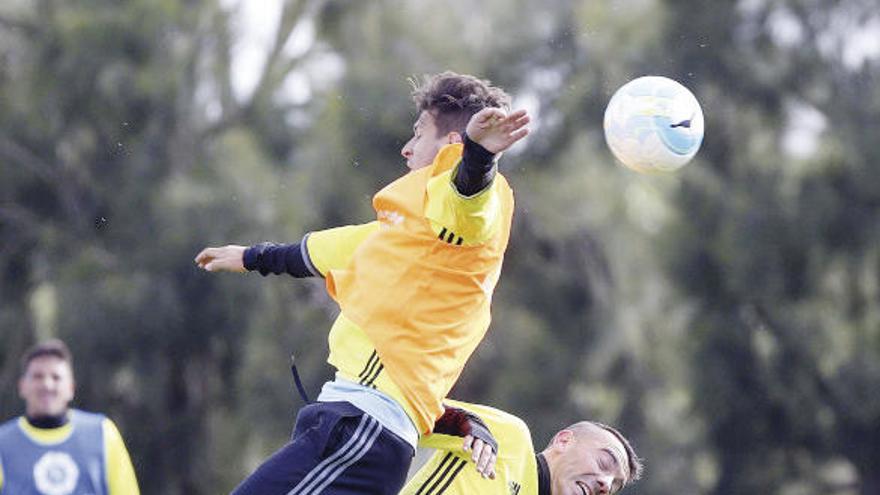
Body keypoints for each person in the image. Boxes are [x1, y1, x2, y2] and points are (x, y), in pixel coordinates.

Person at [195, 71, 530, 494]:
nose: (406, 148)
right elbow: (336, 248)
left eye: (419, 133)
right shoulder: (415, 237)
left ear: (451, 145)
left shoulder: (472, 204)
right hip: (358, 428)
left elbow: (467, 205)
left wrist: (479, 156)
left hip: (363, 426)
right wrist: (252, 256)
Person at [402, 399, 643, 495]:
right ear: (563, 441)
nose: (605, 484)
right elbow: (411, 406)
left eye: (612, 488)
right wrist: (466, 426)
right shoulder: (510, 436)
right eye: (603, 463)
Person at [0, 339, 140, 495]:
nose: (47, 385)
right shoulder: (2, 443)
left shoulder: (102, 434)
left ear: (71, 388)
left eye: (56, 377)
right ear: (22, 387)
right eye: (38, 376)